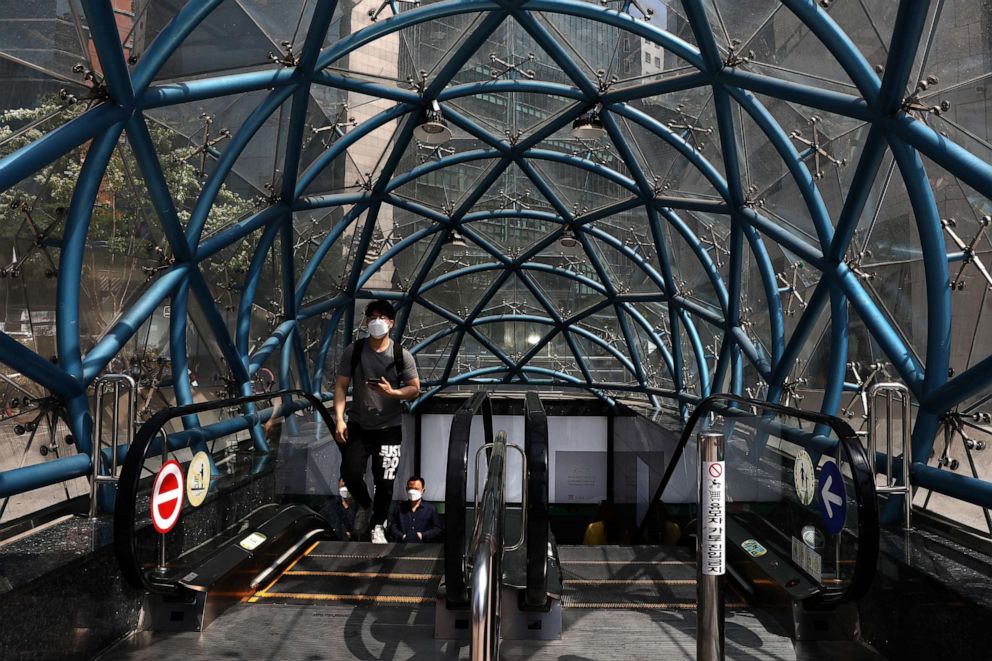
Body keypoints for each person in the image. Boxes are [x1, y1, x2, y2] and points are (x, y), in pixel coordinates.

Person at [334, 300, 420, 541]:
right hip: (358, 425)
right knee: (350, 473)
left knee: (385, 482)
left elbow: (414, 389)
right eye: (372, 317)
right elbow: (341, 385)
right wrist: (339, 419)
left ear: (391, 323)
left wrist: (393, 393)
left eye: (381, 317)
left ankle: (378, 524)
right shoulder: (356, 350)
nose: (376, 321)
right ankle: (364, 504)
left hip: (389, 429)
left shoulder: (401, 356)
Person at [388, 476, 442, 543]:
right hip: (401, 548)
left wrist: (422, 535)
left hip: (424, 549)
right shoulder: (399, 508)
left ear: (423, 491)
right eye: (410, 488)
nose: (413, 491)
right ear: (406, 489)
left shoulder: (430, 509)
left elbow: (437, 529)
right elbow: (393, 527)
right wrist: (402, 536)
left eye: (416, 489)